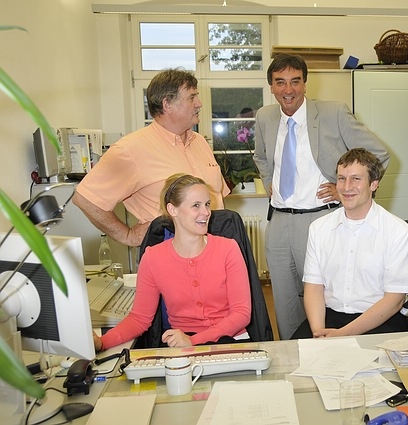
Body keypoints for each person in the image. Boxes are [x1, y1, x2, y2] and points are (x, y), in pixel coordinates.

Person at [253, 54, 390, 340]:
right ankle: (294, 354)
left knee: (325, 299)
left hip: (320, 218)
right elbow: (261, 157)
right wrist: (268, 182)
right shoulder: (265, 117)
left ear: (305, 84)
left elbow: (378, 155)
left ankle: (329, 352)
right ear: (271, 86)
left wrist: (345, 191)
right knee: (284, 304)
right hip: (278, 222)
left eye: (295, 81)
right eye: (280, 82)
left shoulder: (333, 113)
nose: (288, 90)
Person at [73, 68, 229, 247]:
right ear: (167, 104)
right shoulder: (131, 149)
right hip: (169, 253)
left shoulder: (199, 142)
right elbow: (85, 199)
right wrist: (128, 236)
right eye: (192, 97)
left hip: (216, 249)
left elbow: (218, 197)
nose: (199, 104)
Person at [93, 174, 250, 351]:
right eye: (196, 205)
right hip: (181, 343)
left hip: (230, 340)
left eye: (207, 204)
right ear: (172, 210)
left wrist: (194, 341)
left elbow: (241, 313)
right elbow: (139, 319)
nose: (206, 212)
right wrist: (102, 342)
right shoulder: (153, 258)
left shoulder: (228, 248)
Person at [291, 148, 408, 339]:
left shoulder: (398, 231)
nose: (346, 187)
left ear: (374, 184)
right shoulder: (319, 228)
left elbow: (395, 300)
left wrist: (342, 335)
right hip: (329, 317)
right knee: (293, 354)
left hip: (380, 320)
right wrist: (318, 333)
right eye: (341, 178)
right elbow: (314, 287)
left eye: (356, 179)